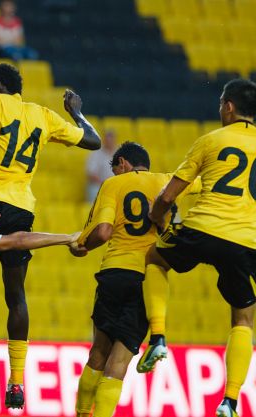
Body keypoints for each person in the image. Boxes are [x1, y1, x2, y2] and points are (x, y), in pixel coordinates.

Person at [0, 63, 101, 409]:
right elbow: (93, 140)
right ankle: (16, 383)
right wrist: (77, 114)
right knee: (16, 295)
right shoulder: (42, 115)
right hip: (20, 208)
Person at [140, 78, 256, 417]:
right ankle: (230, 402)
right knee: (244, 317)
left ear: (229, 107)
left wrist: (157, 217)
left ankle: (158, 338)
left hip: (203, 227)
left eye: (222, 103)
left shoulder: (210, 140)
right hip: (246, 240)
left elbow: (167, 195)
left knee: (155, 258)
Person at [70, 142, 184, 417]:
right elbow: (174, 233)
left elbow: (104, 232)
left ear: (122, 163)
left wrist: (81, 245)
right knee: (118, 365)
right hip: (146, 278)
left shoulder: (113, 185)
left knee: (98, 353)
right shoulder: (166, 183)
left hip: (113, 273)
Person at [85, 129, 116, 202]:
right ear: (104, 140)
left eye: (111, 139)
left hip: (116, 184)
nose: (109, 142)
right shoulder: (95, 153)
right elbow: (91, 173)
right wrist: (104, 184)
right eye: (107, 139)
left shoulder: (119, 153)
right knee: (94, 189)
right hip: (100, 184)